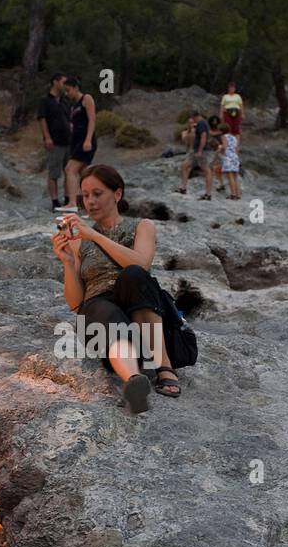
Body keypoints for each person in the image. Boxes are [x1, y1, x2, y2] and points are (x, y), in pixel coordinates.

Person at [51, 164, 179, 413]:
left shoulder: (142, 226)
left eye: (97, 194)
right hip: (101, 313)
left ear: (117, 194)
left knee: (134, 275)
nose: (90, 201)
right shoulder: (79, 243)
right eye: (85, 196)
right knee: (101, 309)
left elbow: (141, 263)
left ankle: (164, 366)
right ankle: (134, 382)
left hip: (139, 306)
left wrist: (96, 236)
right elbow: (76, 303)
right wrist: (67, 262)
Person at [59, 78, 97, 211]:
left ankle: (72, 203)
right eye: (65, 91)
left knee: (70, 169)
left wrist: (88, 139)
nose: (66, 93)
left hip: (85, 140)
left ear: (76, 88)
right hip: (76, 141)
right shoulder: (74, 106)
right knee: (85, 174)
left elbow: (92, 120)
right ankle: (89, 206)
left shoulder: (86, 99)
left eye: (68, 90)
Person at [36, 72, 71, 212]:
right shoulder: (45, 101)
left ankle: (68, 199)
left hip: (68, 141)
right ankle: (55, 201)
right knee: (54, 172)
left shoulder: (65, 101)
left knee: (69, 172)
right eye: (63, 82)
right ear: (55, 82)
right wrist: (47, 137)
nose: (66, 86)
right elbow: (42, 119)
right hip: (54, 142)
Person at [177, 109, 212, 199]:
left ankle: (208, 194)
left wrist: (200, 151)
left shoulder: (202, 124)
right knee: (184, 166)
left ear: (195, 117)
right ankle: (183, 188)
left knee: (206, 170)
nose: (193, 121)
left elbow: (203, 137)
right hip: (195, 150)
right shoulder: (201, 124)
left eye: (193, 119)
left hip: (202, 151)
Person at [218, 123, 241, 199]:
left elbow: (224, 146)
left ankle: (233, 194)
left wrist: (220, 148)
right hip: (235, 157)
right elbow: (236, 148)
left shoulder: (224, 137)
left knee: (230, 176)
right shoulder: (234, 137)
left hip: (228, 157)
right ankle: (237, 194)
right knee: (235, 177)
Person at [207, 114, 225, 191]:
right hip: (214, 148)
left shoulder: (220, 129)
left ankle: (221, 184)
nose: (214, 122)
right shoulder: (211, 129)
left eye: (216, 120)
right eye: (213, 121)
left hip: (220, 148)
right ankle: (220, 184)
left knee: (217, 167)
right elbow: (210, 133)